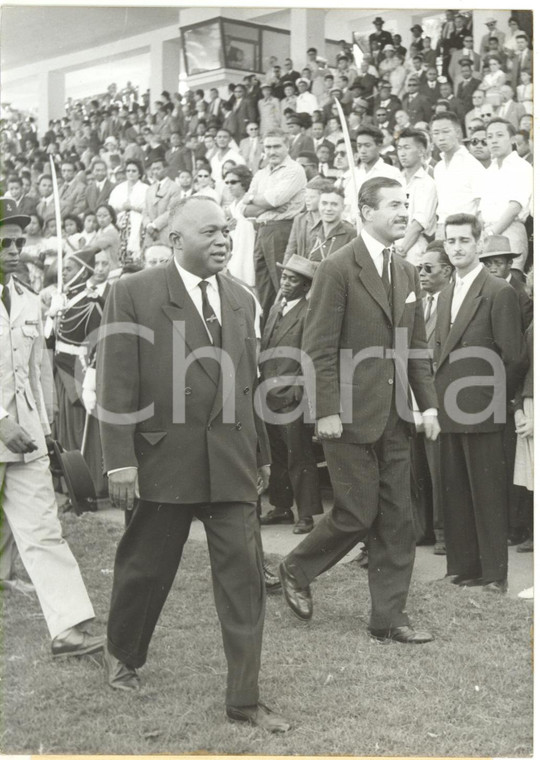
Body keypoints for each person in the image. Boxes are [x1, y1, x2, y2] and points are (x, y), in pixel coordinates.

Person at [96, 195, 289, 733]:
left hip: (230, 463)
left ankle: (244, 701)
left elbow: (250, 385)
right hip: (162, 461)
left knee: (244, 579)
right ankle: (123, 655)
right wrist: (120, 463)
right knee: (146, 569)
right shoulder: (132, 293)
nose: (223, 239)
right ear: (176, 240)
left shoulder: (242, 299)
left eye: (226, 230)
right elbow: (117, 382)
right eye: (210, 232)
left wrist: (261, 453)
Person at [278, 177, 440, 643]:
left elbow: (416, 350)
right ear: (365, 212)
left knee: (397, 516)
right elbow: (318, 346)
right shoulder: (337, 267)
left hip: (394, 415)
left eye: (406, 205)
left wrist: (427, 406)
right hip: (346, 414)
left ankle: (389, 618)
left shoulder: (406, 272)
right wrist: (325, 410)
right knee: (356, 511)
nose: (403, 212)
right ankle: (296, 567)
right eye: (393, 204)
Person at [0, 197, 104, 657]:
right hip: (5, 429)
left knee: (43, 529)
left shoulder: (25, 299)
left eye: (17, 241)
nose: (12, 249)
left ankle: (67, 629)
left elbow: (38, 373)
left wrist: (43, 429)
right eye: (4, 241)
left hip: (24, 439)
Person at [434, 214, 523, 593]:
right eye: (450, 241)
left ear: (478, 243)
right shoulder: (444, 293)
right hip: (448, 407)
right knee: (455, 491)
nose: (456, 248)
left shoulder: (498, 290)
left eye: (464, 241)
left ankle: (494, 575)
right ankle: (464, 567)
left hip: (482, 408)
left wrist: (496, 403)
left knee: (487, 494)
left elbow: (514, 356)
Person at [259, 255, 323, 534]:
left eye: (292, 279)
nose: (284, 283)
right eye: (284, 277)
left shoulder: (309, 312)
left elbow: (311, 354)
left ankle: (306, 514)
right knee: (276, 455)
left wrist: (300, 391)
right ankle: (281, 506)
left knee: (300, 456)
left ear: (306, 286)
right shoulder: (277, 307)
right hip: (269, 393)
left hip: (292, 397)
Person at [413, 241, 454, 554]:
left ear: (446, 270)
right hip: (414, 395)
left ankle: (443, 532)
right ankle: (422, 528)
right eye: (420, 268)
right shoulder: (417, 303)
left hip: (440, 396)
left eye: (429, 268)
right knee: (417, 468)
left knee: (438, 468)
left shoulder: (451, 304)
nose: (422, 274)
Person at [243, 129, 306, 321]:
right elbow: (245, 210)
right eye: (268, 147)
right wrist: (260, 202)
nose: (272, 151)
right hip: (261, 230)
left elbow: (276, 199)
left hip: (282, 230)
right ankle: (267, 337)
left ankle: (286, 332)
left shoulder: (294, 170)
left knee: (284, 286)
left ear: (288, 146)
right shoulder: (261, 173)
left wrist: (254, 200)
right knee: (263, 290)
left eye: (277, 146)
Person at [479, 117, 532, 274]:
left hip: (510, 231)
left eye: (499, 135)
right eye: (489, 137)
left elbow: (515, 207)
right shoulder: (489, 171)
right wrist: (483, 235)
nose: (494, 141)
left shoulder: (522, 167)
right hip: (487, 233)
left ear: (512, 139)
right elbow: (482, 209)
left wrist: (491, 234)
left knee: (510, 284)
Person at [431, 112, 485, 237]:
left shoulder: (472, 165)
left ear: (458, 133)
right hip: (441, 229)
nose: (441, 137)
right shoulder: (439, 168)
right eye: (436, 133)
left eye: (445, 131)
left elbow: (481, 206)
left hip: (465, 229)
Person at [395, 128, 437, 265]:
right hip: (392, 245)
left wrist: (401, 250)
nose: (402, 153)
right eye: (400, 148)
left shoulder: (427, 183)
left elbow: (419, 224)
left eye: (407, 148)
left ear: (420, 152)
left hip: (413, 248)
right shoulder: (396, 181)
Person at [109, 160, 148, 264]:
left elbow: (148, 209)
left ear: (139, 173)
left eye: (134, 171)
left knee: (136, 253)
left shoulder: (146, 189)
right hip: (120, 224)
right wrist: (122, 208)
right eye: (128, 171)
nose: (130, 173)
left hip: (138, 225)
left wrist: (132, 207)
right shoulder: (118, 189)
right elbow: (111, 208)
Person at [223, 165, 255, 288]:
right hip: (235, 252)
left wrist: (240, 224)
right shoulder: (230, 207)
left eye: (233, 182)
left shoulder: (250, 204)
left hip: (249, 252)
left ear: (244, 182)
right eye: (227, 182)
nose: (229, 185)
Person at [308, 185, 356, 262]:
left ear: (343, 207)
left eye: (334, 204)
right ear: (319, 205)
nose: (328, 209)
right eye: (324, 203)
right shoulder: (313, 233)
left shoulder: (352, 236)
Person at [142, 157, 181, 249]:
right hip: (150, 233)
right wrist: (148, 225)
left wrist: (155, 225)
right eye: (153, 169)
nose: (155, 172)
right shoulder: (150, 189)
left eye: (158, 168)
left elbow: (172, 211)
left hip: (165, 231)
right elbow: (145, 211)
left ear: (166, 169)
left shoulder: (174, 187)